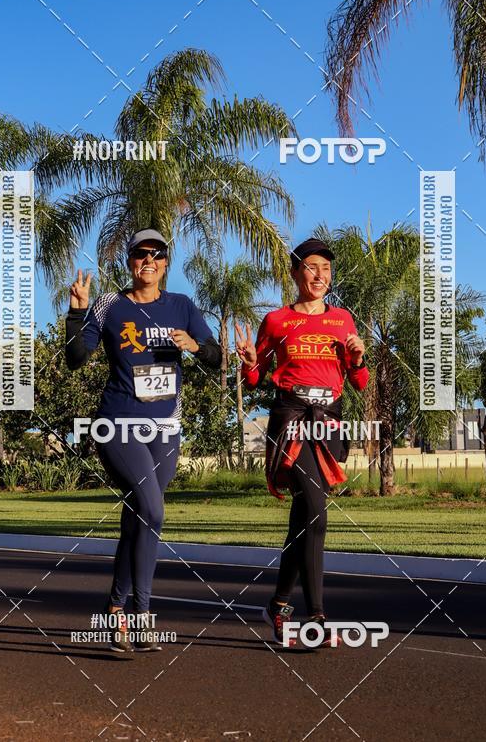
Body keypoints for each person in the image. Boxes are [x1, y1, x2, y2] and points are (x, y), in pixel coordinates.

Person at [65, 229, 221, 653]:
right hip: (118, 424)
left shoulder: (182, 306)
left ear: (166, 263)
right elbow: (76, 359)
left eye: (156, 254)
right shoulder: (109, 305)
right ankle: (141, 615)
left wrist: (196, 346)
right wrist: (76, 313)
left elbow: (216, 356)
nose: (148, 260)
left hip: (165, 428)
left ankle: (115, 609)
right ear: (130, 262)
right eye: (140, 254)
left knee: (140, 518)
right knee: (153, 508)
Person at [235, 238, 368, 648]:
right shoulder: (277, 321)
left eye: (325, 268)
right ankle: (316, 619)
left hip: (328, 422)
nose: (319, 275)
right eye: (311, 267)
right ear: (295, 273)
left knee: (304, 518)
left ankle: (278, 605)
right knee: (317, 513)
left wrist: (358, 359)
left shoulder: (343, 320)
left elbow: (360, 382)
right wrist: (250, 363)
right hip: (291, 419)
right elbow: (253, 378)